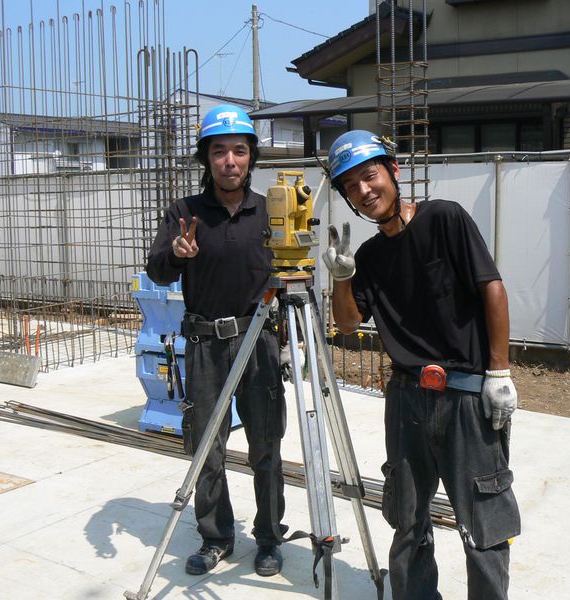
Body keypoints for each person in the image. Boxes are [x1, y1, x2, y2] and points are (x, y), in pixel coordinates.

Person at [322, 130, 521, 600]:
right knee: (407, 520)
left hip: (465, 397)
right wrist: (343, 277)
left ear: (393, 171)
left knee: (483, 525)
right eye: (350, 186)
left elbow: (491, 287)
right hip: (407, 399)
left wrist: (499, 372)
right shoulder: (369, 257)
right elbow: (347, 323)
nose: (364, 190)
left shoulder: (444, 218)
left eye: (370, 176)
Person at [146, 104, 287, 578]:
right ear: (206, 158)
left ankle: (268, 537)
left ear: (251, 158)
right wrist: (176, 253)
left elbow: (292, 272)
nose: (230, 161)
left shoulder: (269, 211)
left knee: (267, 444)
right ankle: (216, 537)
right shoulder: (184, 213)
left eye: (239, 151)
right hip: (206, 345)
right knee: (207, 445)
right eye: (220, 151)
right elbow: (157, 269)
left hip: (259, 343)